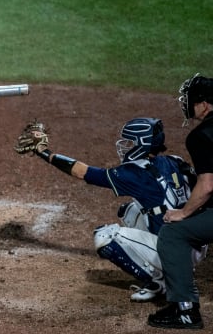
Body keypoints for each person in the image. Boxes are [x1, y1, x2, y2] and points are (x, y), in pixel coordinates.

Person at [15, 117, 206, 302]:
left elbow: (83, 173)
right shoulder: (174, 161)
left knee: (105, 236)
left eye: (130, 142)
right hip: (193, 241)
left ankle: (159, 281)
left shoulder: (134, 173)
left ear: (142, 144)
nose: (125, 146)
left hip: (176, 249)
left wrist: (43, 151)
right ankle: (175, 267)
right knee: (130, 210)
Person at [148, 73, 213, 329]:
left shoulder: (200, 136)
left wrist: (184, 213)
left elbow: (208, 185)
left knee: (173, 234)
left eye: (193, 100)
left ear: (205, 105)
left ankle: (185, 309)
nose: (187, 104)